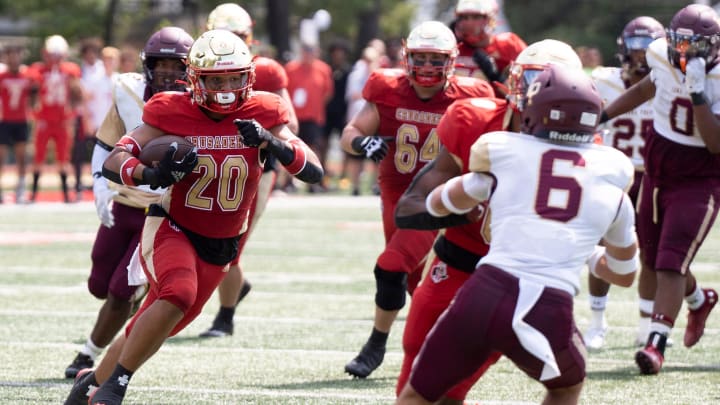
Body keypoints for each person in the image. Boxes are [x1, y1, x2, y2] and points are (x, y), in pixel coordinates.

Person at [64, 29, 323, 405]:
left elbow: (313, 170)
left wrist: (275, 143)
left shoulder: (264, 112)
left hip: (222, 245)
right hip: (173, 225)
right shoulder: (171, 108)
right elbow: (116, 158)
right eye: (216, 79)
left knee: (159, 321)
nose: (226, 87)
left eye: (235, 78)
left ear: (248, 76)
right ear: (196, 79)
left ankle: (88, 386)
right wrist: (149, 175)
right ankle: (114, 387)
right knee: (177, 292)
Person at [396, 64, 638, 405]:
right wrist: (583, 252)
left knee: (417, 395)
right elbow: (625, 275)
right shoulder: (613, 182)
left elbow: (439, 201)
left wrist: (451, 203)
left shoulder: (503, 152)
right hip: (547, 304)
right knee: (566, 386)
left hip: (483, 291)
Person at [340, 20, 493, 379]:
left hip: (433, 200)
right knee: (412, 282)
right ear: (407, 58)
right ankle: (444, 347)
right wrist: (362, 143)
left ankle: (375, 344)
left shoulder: (472, 95)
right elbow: (353, 131)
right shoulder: (386, 86)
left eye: (434, 59)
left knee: (390, 266)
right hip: (394, 197)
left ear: (451, 61)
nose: (426, 67)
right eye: (420, 58)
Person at [62, 26, 194, 381]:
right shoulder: (127, 90)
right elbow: (106, 145)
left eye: (175, 64)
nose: (168, 72)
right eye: (161, 64)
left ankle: (87, 354)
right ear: (148, 65)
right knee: (99, 283)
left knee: (121, 291)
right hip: (125, 201)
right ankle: (133, 292)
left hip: (163, 211)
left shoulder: (197, 102)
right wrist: (101, 186)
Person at [601, 3, 719, 375]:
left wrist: (698, 94)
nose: (684, 53)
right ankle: (699, 300)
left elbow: (715, 143)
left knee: (671, 261)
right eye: (679, 43)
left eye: (694, 46)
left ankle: (656, 344)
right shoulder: (659, 55)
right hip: (656, 168)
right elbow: (647, 87)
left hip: (701, 175)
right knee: (652, 259)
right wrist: (601, 116)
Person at [199, 2, 301, 338]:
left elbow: (292, 124)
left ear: (249, 37)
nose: (230, 43)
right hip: (208, 165)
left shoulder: (267, 71)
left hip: (254, 166)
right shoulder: (197, 65)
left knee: (233, 244)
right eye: (224, 35)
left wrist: (262, 133)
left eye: (238, 36)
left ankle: (225, 317)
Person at [584, 16, 664, 350]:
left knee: (653, 253)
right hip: (612, 173)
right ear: (622, 50)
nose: (641, 56)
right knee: (605, 246)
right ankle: (597, 321)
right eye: (635, 48)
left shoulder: (671, 82)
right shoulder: (603, 80)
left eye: (649, 49)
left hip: (654, 175)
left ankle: (647, 324)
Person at [28, 35, 83, 203]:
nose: (54, 58)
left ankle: (66, 195)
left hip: (62, 120)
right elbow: (32, 90)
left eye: (57, 54)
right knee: (39, 156)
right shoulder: (38, 70)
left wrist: (72, 113)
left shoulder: (71, 70)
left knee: (63, 157)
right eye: (51, 54)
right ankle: (33, 195)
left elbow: (77, 94)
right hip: (44, 118)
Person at [283, 41, 334, 192]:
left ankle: (314, 182)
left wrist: (314, 104)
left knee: (313, 148)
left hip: (313, 116)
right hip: (294, 117)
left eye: (311, 50)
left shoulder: (323, 69)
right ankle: (288, 182)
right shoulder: (291, 68)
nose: (308, 54)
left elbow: (328, 93)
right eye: (306, 50)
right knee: (291, 147)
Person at [451, 0, 526, 96]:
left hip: (499, 108)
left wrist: (495, 76)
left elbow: (524, 95)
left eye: (476, 17)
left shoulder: (509, 44)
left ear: (491, 19)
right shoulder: (454, 49)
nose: (469, 22)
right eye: (464, 17)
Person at [0, 43, 37, 204]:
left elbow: (36, 95)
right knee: (1, 157)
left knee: (22, 157)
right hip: (4, 121)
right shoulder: (2, 77)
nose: (14, 59)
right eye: (10, 55)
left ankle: (20, 191)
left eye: (16, 55)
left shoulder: (28, 75)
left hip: (21, 121)